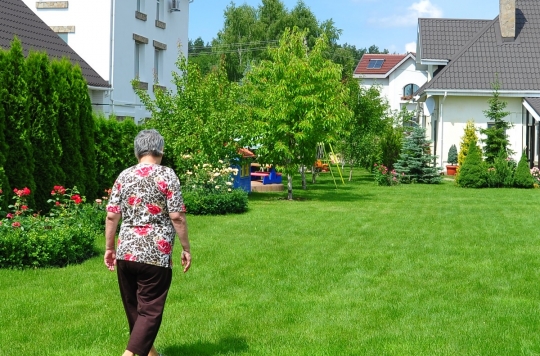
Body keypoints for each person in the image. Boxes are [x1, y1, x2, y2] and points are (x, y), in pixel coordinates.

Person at [104, 129, 191, 356]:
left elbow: (112, 215)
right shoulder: (167, 175)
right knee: (150, 311)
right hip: (155, 254)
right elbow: (177, 216)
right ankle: (129, 354)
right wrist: (186, 248)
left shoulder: (124, 175)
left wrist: (109, 248)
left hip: (126, 253)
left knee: (134, 309)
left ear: (137, 151)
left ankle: (150, 354)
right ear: (160, 150)